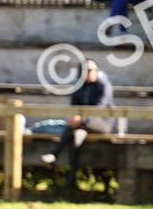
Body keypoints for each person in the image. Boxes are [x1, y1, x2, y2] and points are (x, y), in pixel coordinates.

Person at [40, 59, 114, 189]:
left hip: (102, 123)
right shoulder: (79, 87)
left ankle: (55, 154)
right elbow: (73, 107)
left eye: (93, 70)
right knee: (75, 139)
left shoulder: (104, 85)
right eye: (87, 70)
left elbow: (100, 108)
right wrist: (75, 117)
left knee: (73, 128)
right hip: (81, 125)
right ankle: (71, 181)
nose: (91, 73)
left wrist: (82, 119)